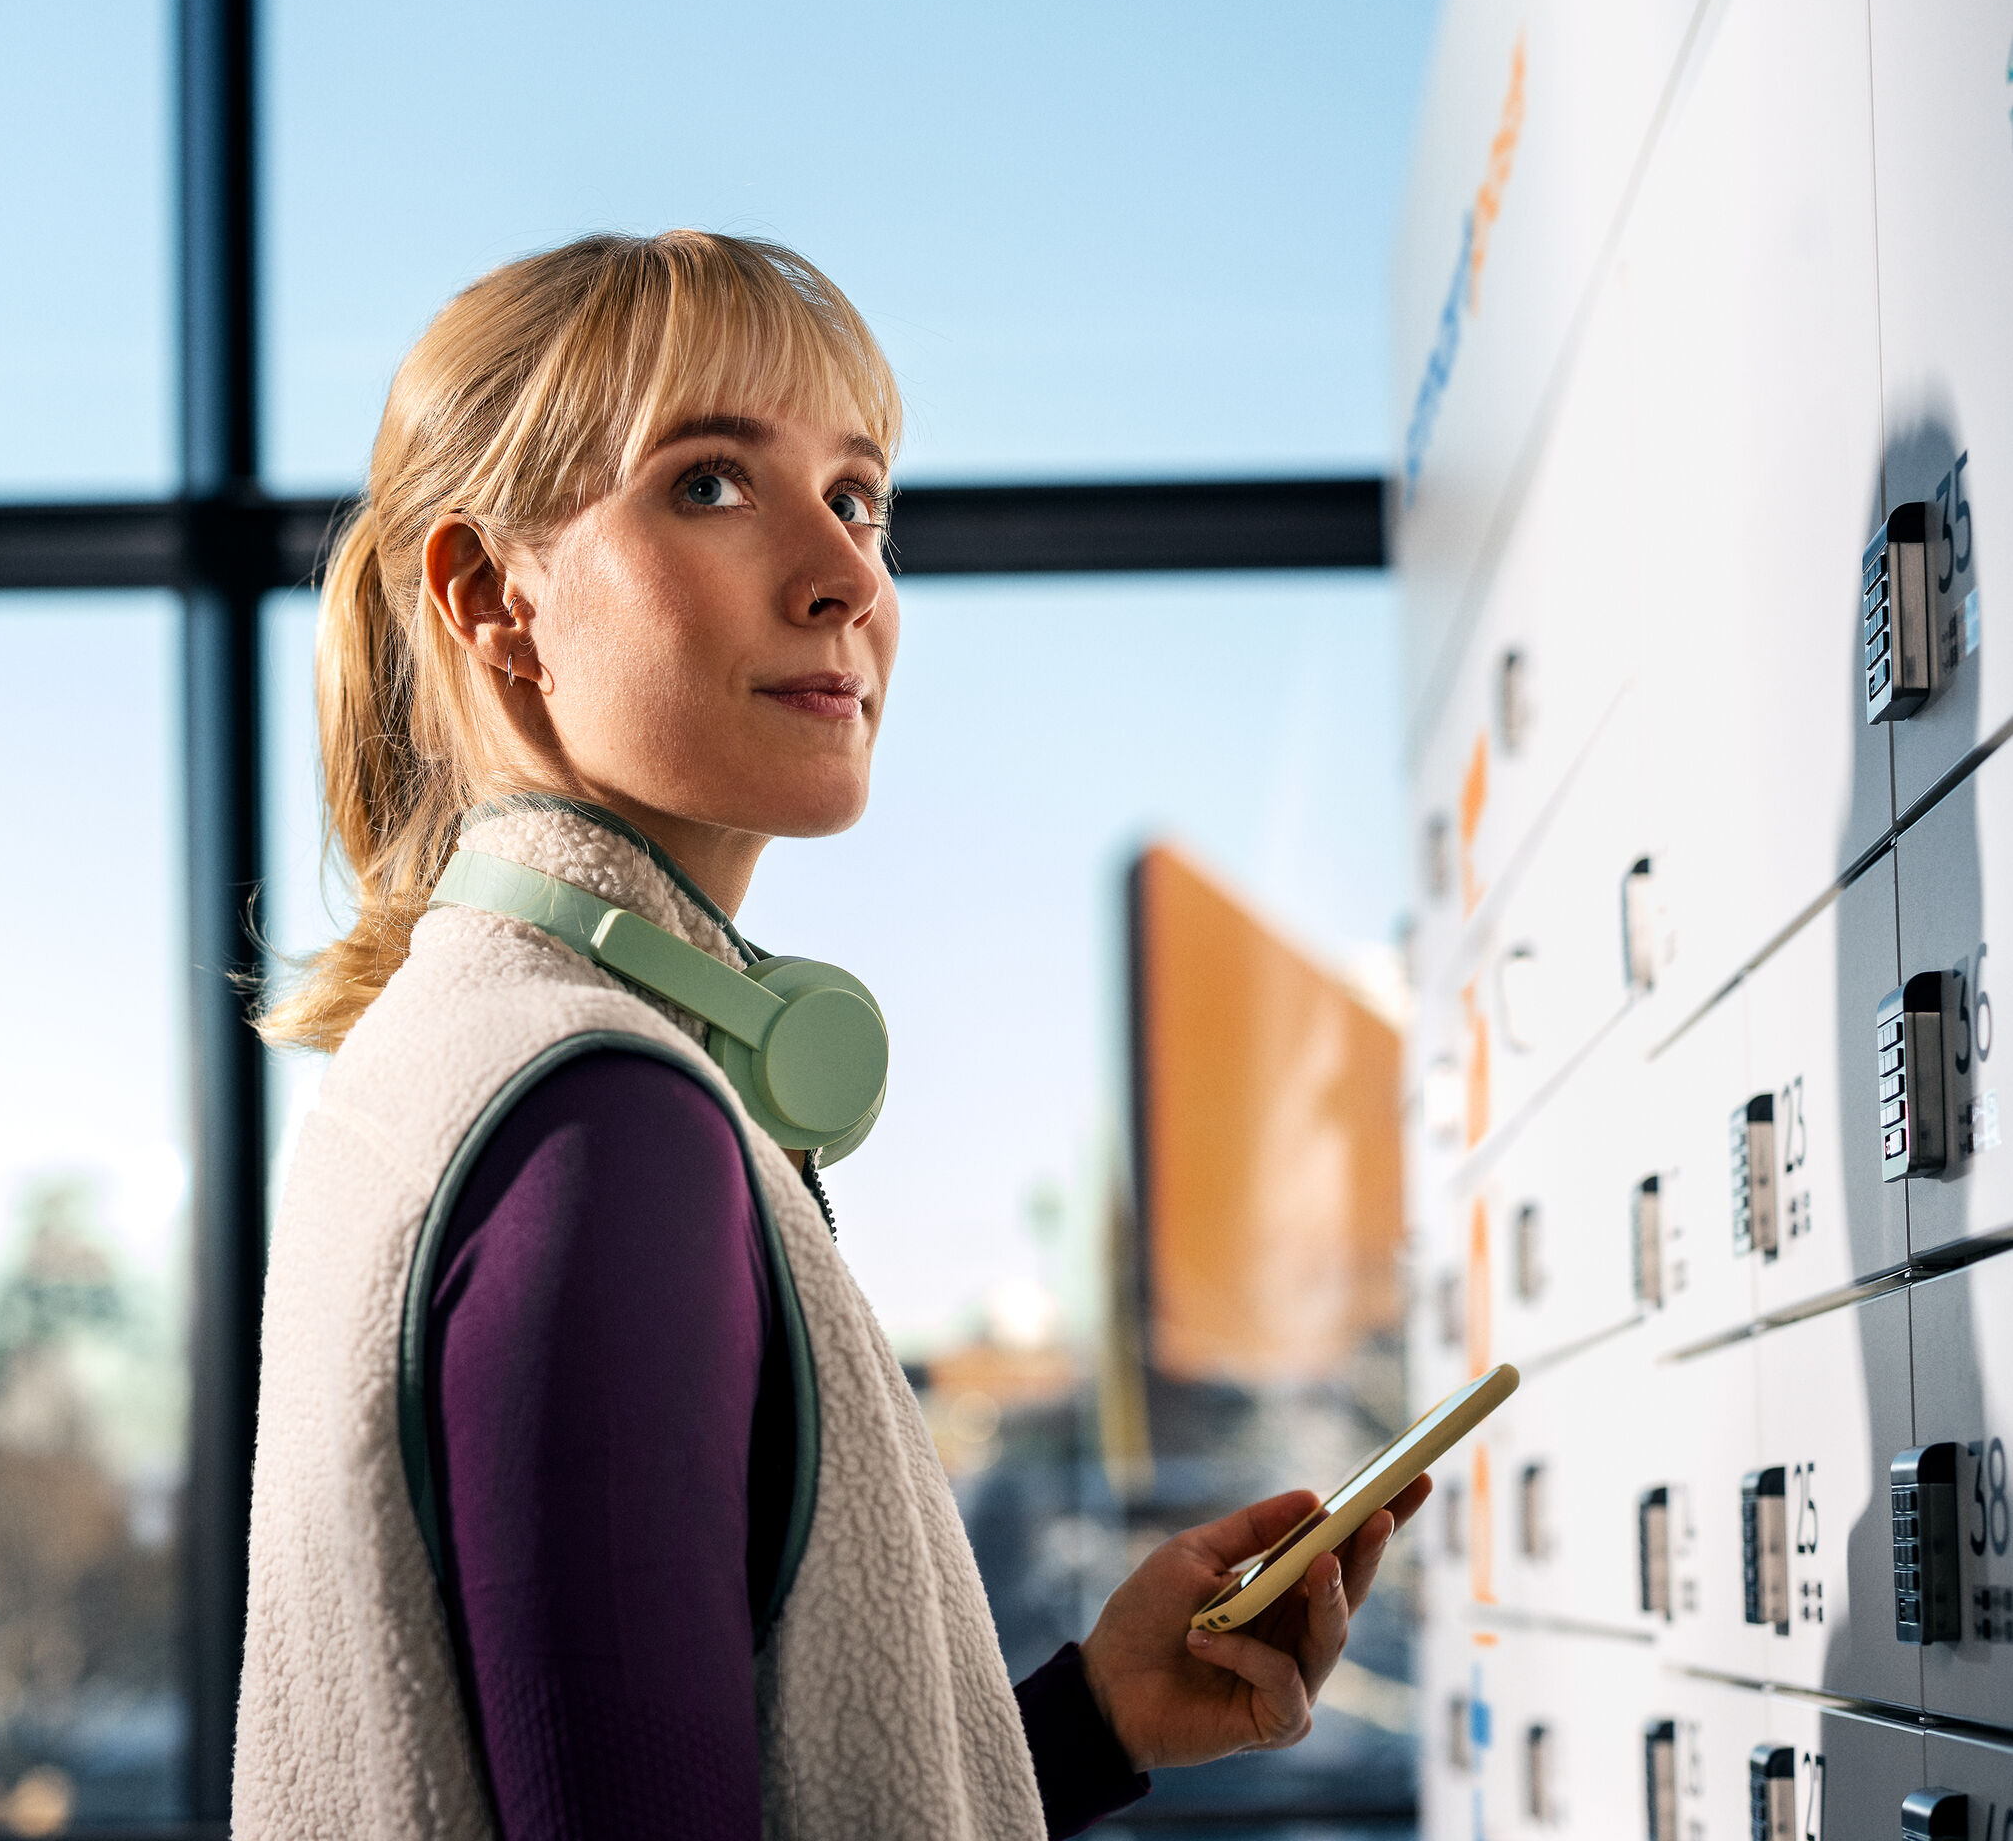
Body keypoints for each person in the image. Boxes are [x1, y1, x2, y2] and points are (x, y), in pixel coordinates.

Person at [238, 230, 1426, 1841]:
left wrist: (1080, 1726)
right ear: (492, 599)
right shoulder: (605, 1124)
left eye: (858, 497)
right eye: (712, 484)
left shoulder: (444, 1062)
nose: (847, 575)